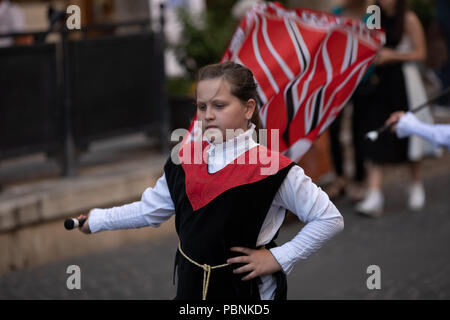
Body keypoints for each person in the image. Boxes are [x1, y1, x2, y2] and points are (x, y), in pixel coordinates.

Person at [76, 62, 344, 300]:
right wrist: (98, 220)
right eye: (202, 106)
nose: (208, 115)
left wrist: (278, 257)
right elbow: (149, 211)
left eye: (219, 105)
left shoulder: (272, 168)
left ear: (248, 108)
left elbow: (329, 218)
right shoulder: (184, 159)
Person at [356, 0, 433, 217]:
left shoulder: (408, 18)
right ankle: (374, 192)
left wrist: (392, 55)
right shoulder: (374, 15)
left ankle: (416, 183)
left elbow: (420, 53)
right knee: (376, 131)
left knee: (409, 133)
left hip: (403, 82)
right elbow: (366, 43)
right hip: (378, 84)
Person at [326, 0, 374, 201]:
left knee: (359, 129)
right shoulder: (337, 13)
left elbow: (376, 42)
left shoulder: (373, 12)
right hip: (340, 81)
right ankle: (341, 177)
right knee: (333, 128)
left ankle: (360, 179)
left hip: (364, 79)